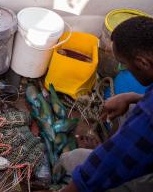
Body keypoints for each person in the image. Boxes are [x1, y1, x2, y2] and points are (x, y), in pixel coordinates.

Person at [60, 16, 153, 192]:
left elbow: (103, 169)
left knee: (71, 159)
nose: (120, 68)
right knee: (132, 109)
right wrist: (132, 97)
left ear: (143, 63)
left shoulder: (149, 116)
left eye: (123, 64)